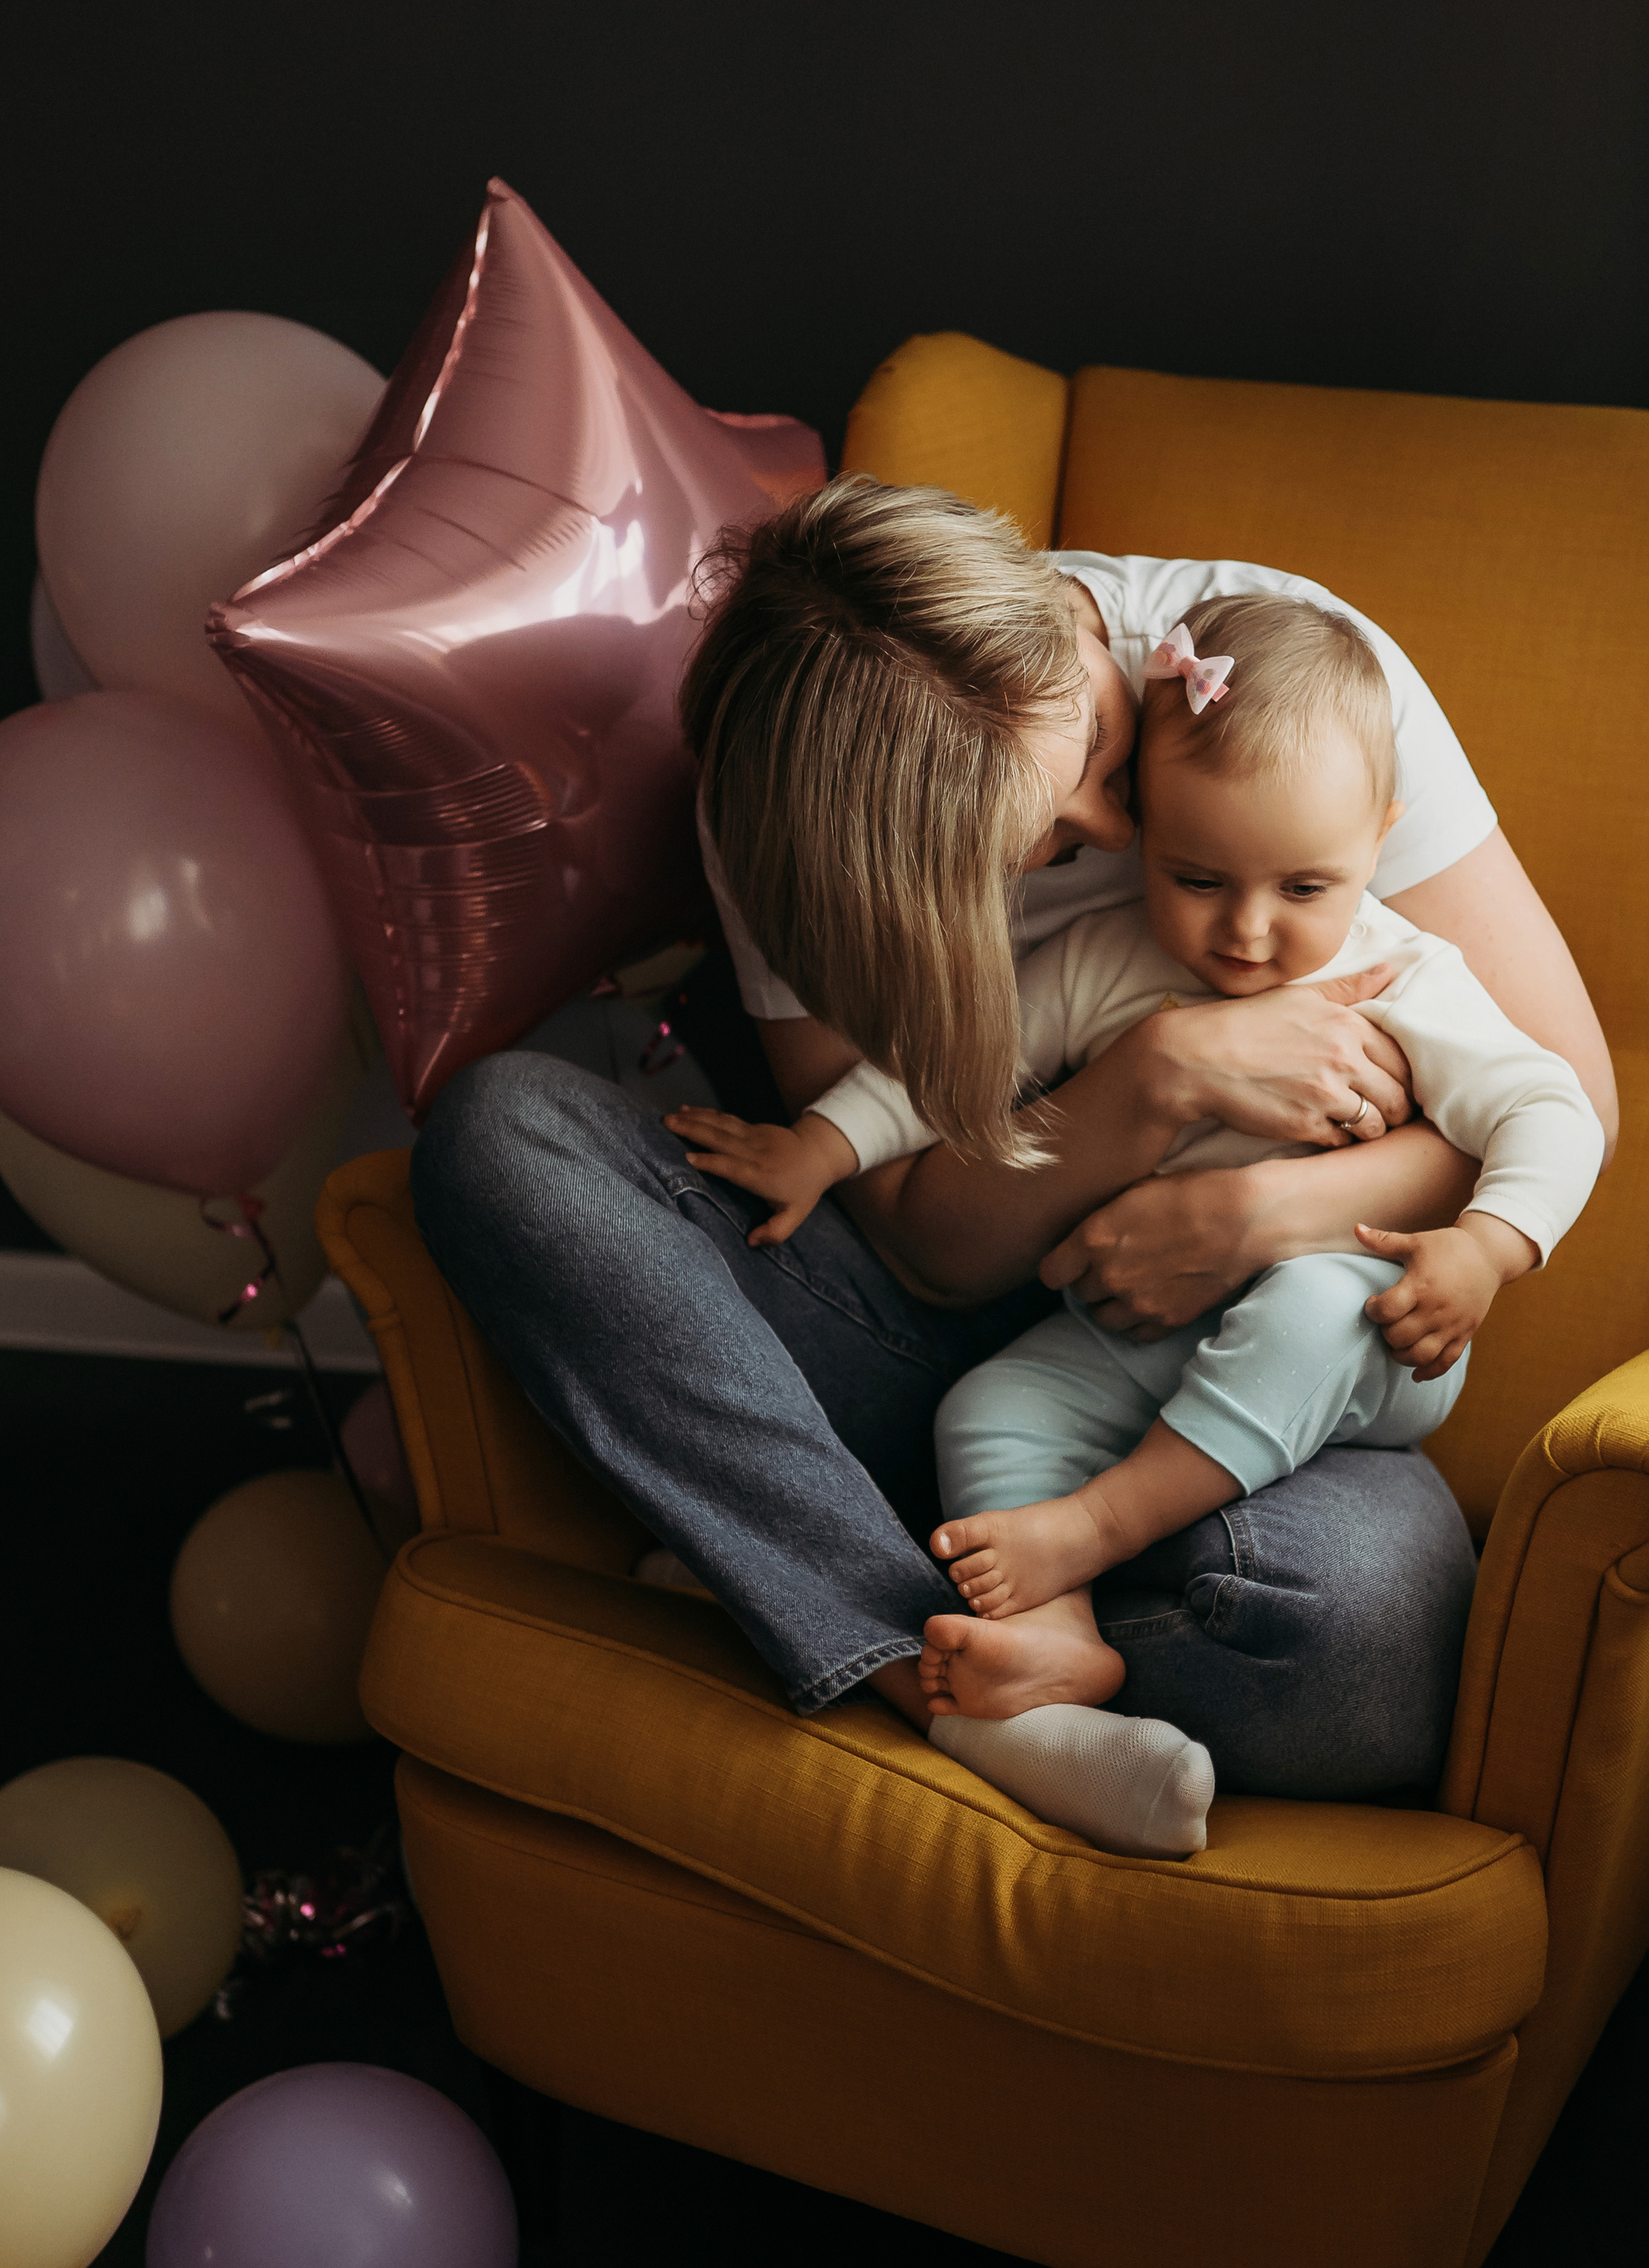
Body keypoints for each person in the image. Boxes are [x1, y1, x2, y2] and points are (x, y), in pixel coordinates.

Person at [410, 476, 1616, 1843]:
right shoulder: (792, 814)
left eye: (1103, 751)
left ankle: (816, 1573)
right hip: (951, 1333)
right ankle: (963, 1684)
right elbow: (920, 1250)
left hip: (1252, 1379)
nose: (1111, 838)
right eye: (1034, 843)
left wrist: (1246, 1215)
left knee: (1361, 1639)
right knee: (501, 1139)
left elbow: (1559, 1097)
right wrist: (1152, 1085)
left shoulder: (1280, 683)